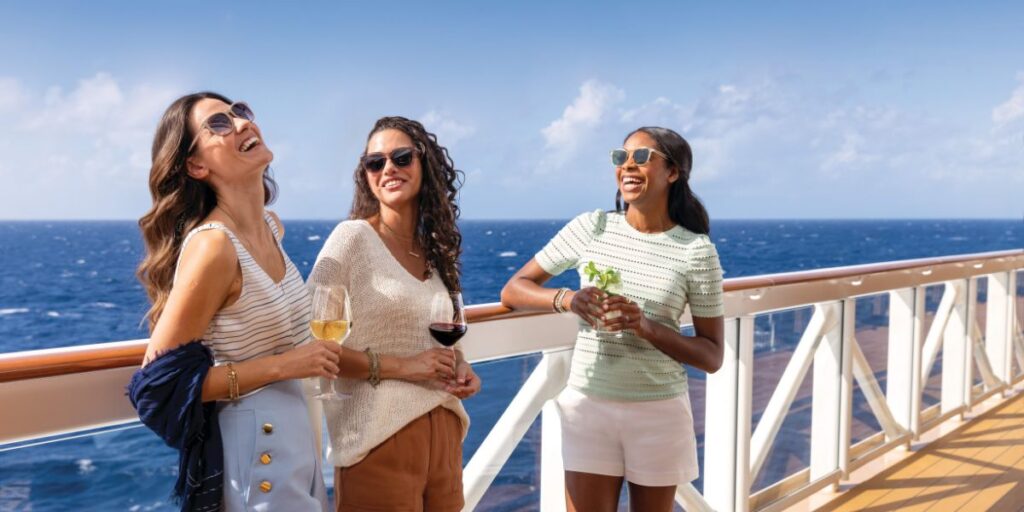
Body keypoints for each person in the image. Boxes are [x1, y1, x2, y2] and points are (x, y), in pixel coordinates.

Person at [500, 126, 725, 512]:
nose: (628, 167)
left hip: (658, 413)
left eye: (642, 158)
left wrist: (643, 326)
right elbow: (514, 289)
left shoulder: (695, 251)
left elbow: (712, 355)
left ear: (673, 172)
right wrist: (568, 299)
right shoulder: (593, 227)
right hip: (589, 406)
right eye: (621, 158)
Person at [130, 92, 332, 511]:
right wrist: (287, 365)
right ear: (196, 166)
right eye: (218, 124)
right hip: (258, 449)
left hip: (297, 437)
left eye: (240, 112)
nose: (241, 123)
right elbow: (157, 387)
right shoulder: (214, 248)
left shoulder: (269, 229)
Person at [307, 116, 481, 511]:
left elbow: (428, 336)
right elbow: (313, 344)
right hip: (377, 438)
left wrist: (461, 366)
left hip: (445, 432)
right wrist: (406, 368)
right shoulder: (351, 239)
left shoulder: (435, 252)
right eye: (375, 162)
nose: (388, 169)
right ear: (365, 174)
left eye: (402, 157)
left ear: (426, 165)